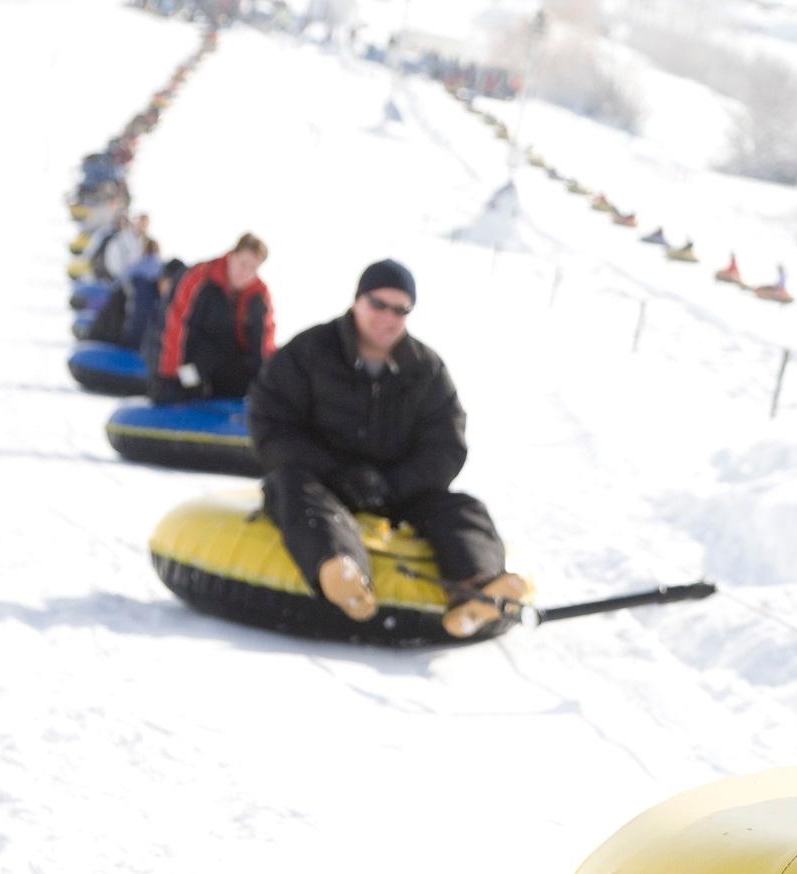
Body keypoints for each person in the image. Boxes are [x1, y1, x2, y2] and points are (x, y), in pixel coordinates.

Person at [248, 259, 525, 639]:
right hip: (322, 482)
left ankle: (476, 589)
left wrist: (394, 484)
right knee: (290, 487)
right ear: (358, 300)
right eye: (378, 304)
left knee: (463, 508)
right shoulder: (310, 351)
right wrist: (335, 472)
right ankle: (343, 574)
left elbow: (446, 445)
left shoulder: (426, 369)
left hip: (396, 492)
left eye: (400, 309)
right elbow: (271, 423)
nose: (387, 318)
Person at [151, 232, 273, 404]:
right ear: (231, 256)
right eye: (242, 264)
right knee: (189, 383)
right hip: (190, 359)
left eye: (252, 268)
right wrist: (169, 374)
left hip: (226, 362)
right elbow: (175, 321)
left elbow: (265, 342)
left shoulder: (258, 295)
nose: (245, 272)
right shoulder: (201, 277)